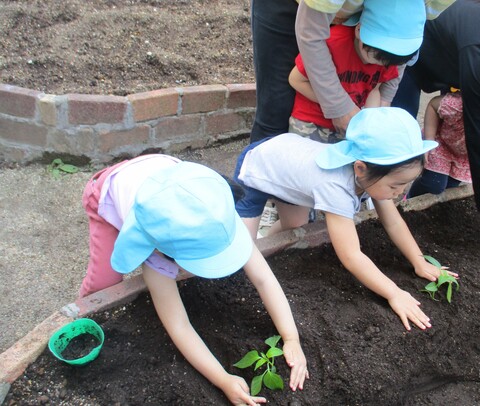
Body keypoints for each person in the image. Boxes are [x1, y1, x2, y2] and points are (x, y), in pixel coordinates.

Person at [79, 154, 308, 405]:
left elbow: (264, 278)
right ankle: (81, 318)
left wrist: (290, 338)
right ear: (166, 252)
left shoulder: (215, 213)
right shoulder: (156, 252)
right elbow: (179, 324)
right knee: (105, 284)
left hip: (172, 175)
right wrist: (222, 378)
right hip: (111, 189)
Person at [234, 107, 459, 331]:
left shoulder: (373, 172)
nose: (401, 192)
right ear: (360, 168)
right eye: (395, 186)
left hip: (289, 169)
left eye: (406, 184)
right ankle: (255, 244)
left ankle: (266, 242)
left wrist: (419, 262)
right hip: (259, 166)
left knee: (293, 229)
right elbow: (350, 256)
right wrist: (394, 293)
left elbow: (394, 221)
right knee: (242, 254)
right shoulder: (336, 187)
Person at [249, 0, 455, 143]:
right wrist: (339, 105)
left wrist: (383, 105)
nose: (380, 68)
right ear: (359, 31)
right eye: (378, 60)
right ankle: (257, 199)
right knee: (276, 108)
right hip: (297, 10)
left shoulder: (378, 50)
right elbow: (309, 37)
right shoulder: (339, 41)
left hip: (372, 27)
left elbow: (404, 32)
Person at [391, 0, 480, 211]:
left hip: (455, 62)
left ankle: (431, 196)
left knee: (444, 176)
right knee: (398, 132)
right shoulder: (475, 46)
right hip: (416, 55)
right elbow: (475, 134)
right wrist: (428, 144)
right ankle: (379, 195)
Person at [288, 0, 418, 142]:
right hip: (311, 121)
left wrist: (369, 121)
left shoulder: (386, 57)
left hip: (348, 124)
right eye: (373, 58)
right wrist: (338, 104)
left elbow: (374, 90)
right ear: (359, 30)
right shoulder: (334, 42)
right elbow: (295, 79)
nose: (374, 65)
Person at [408, 90, 471, 198]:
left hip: (465, 158)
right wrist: (429, 140)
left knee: (450, 187)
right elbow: (433, 105)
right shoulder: (459, 105)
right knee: (434, 185)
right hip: (441, 144)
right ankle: (410, 199)